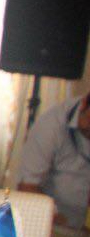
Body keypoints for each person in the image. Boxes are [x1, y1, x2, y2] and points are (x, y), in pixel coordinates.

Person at [17, 92, 90, 229]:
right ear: (84, 103)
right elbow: (27, 188)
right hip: (53, 225)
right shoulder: (51, 125)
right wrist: (60, 222)